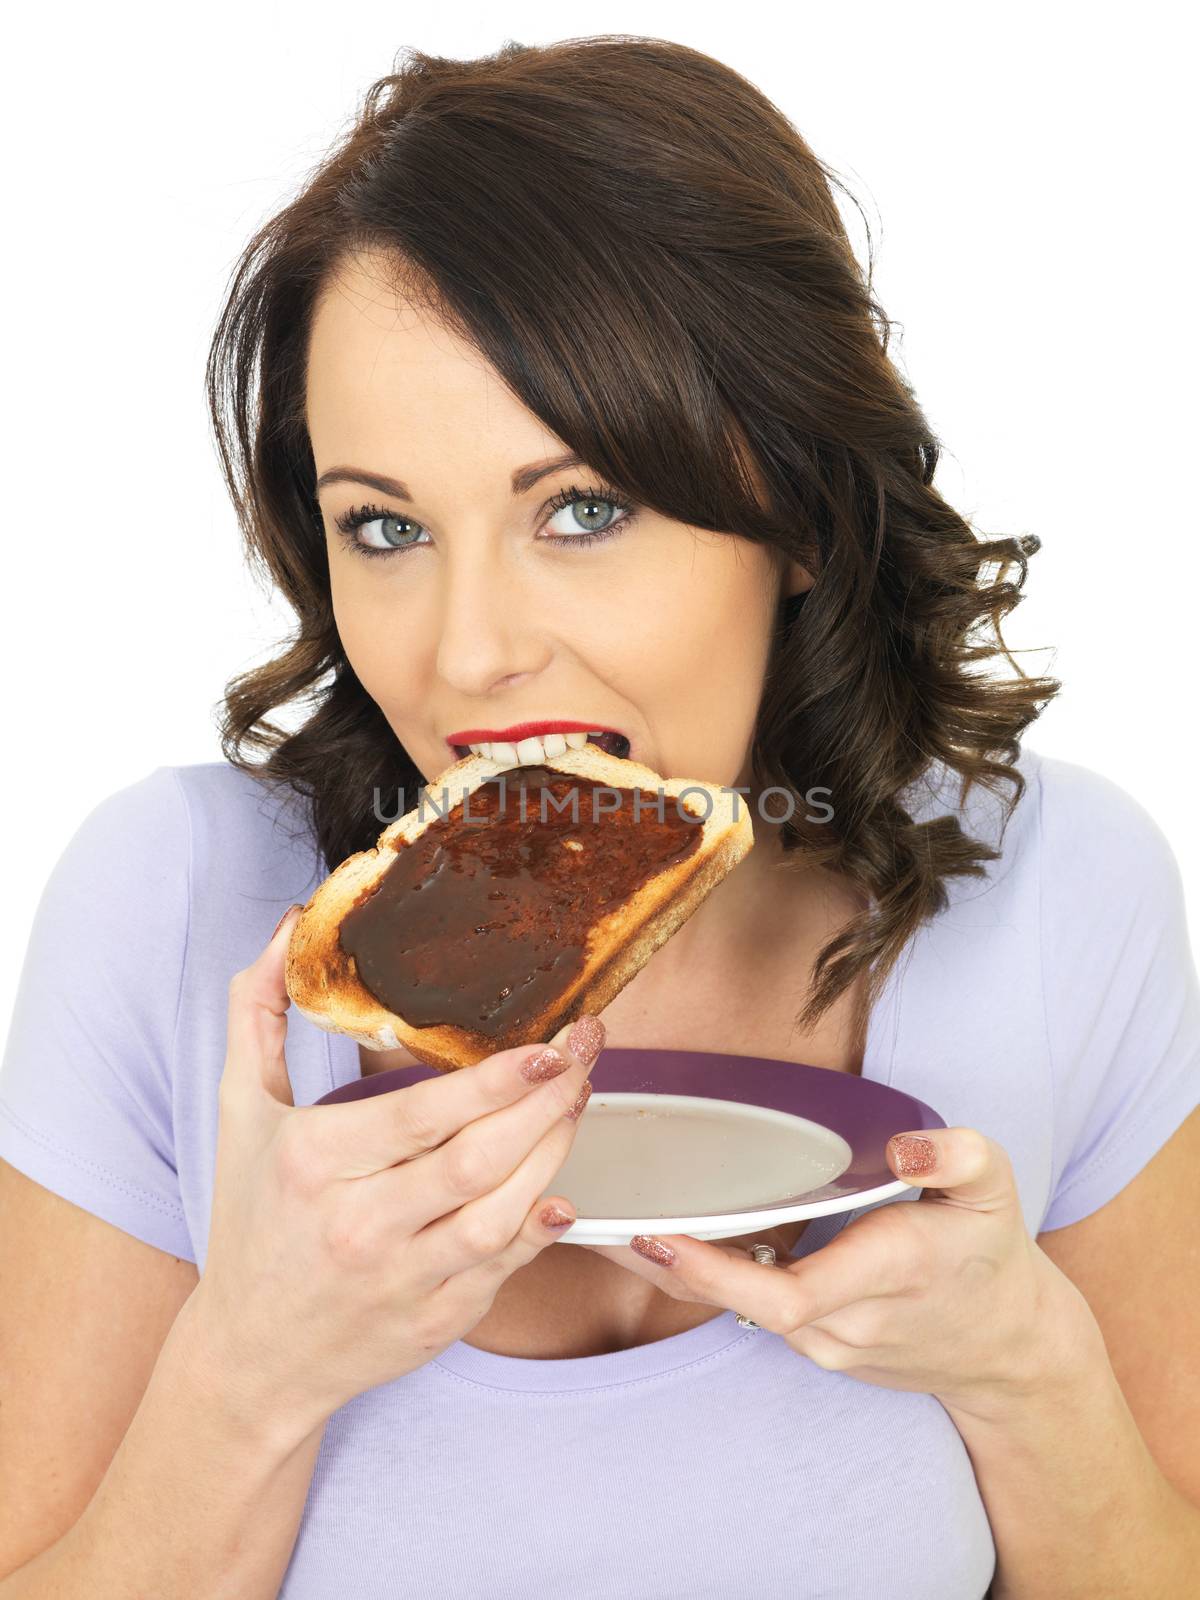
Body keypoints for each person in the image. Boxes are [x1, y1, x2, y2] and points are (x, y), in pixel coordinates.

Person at [2, 35, 1198, 1600]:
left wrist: (1028, 1376)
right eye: (385, 526)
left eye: (580, 509)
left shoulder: (1060, 888)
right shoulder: (174, 905)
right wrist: (255, 1371)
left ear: (802, 516)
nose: (467, 648)